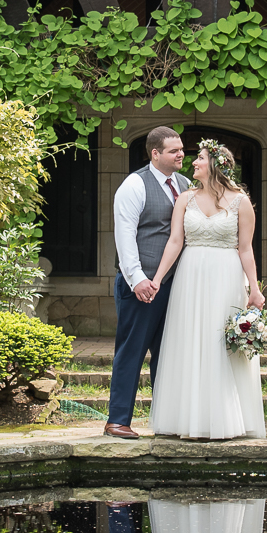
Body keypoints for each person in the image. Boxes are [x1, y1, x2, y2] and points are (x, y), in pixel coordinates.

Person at [145, 138, 266, 441]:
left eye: (199, 158)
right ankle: (187, 418)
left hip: (226, 275)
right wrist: (158, 279)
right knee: (191, 341)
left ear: (214, 164)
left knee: (220, 344)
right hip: (191, 275)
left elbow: (246, 249)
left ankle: (226, 419)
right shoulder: (185, 199)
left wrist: (255, 289)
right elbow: (175, 242)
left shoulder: (241, 201)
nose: (193, 163)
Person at [103, 126, 190, 440]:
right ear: (155, 153)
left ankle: (165, 420)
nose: (181, 154)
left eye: (181, 149)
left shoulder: (184, 184)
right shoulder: (134, 184)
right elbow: (124, 236)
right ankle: (118, 420)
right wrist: (138, 279)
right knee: (132, 351)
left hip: (174, 285)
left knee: (168, 354)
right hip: (141, 287)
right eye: (173, 151)